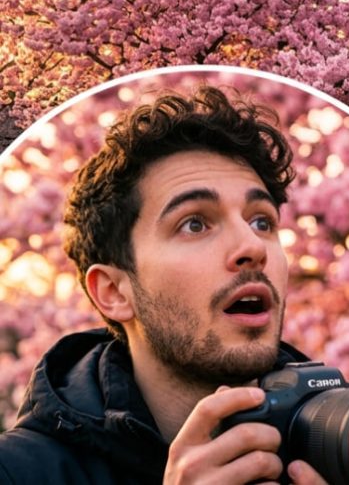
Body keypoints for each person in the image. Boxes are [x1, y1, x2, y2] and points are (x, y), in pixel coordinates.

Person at [0, 87, 329, 485]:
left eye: (262, 222)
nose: (252, 247)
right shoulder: (16, 472)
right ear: (113, 292)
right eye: (195, 223)